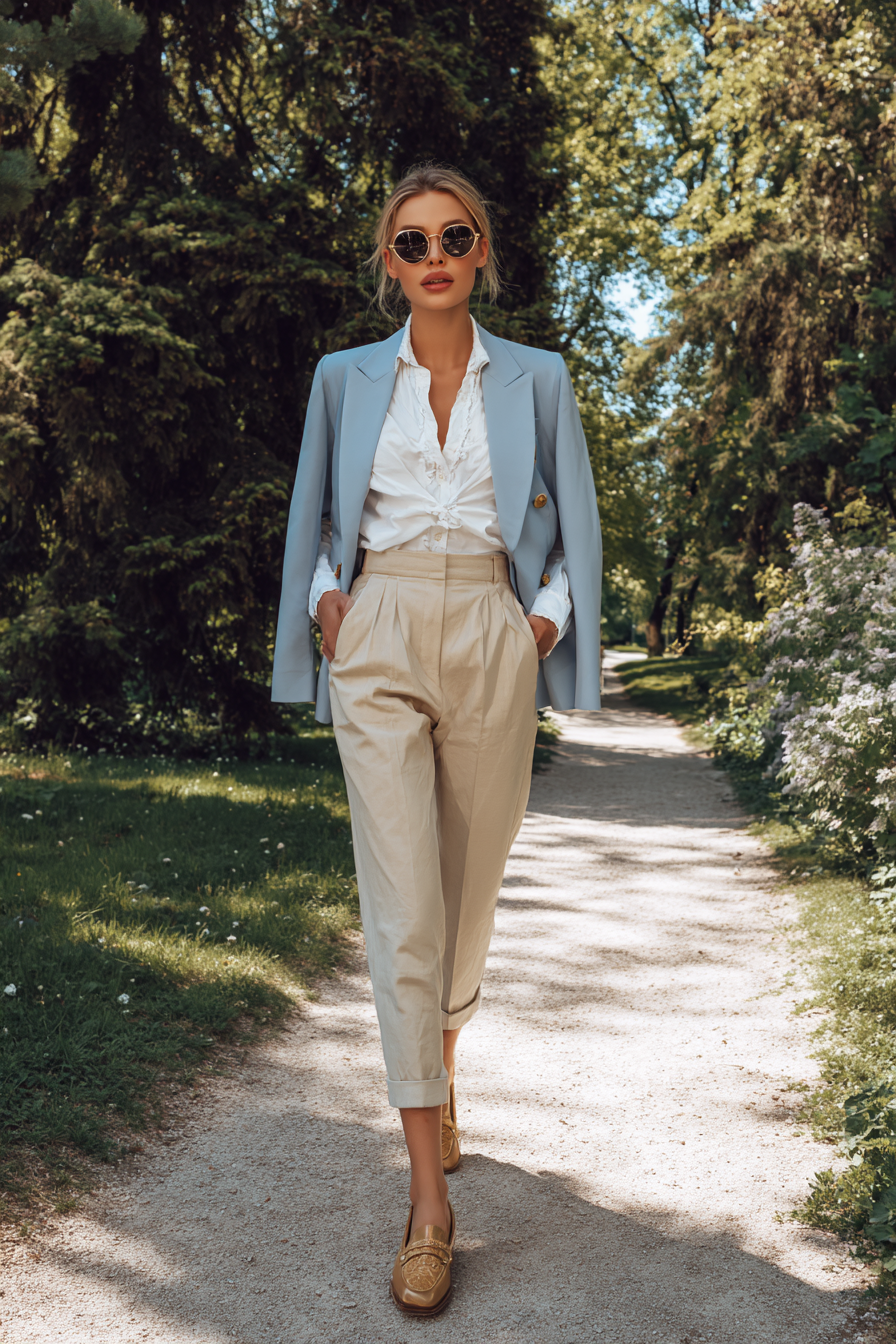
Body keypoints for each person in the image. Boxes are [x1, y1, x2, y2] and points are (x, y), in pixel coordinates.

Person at [271, 163, 602, 1316]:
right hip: (382, 626)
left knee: (468, 894)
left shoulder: (540, 380)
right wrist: (330, 609)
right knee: (403, 908)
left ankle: (440, 1056)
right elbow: (315, 515)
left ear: (482, 250)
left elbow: (570, 527)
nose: (432, 257)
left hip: (491, 628)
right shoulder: (343, 379)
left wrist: (541, 623)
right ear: (387, 264)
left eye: (452, 236)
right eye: (409, 243)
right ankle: (427, 1204)